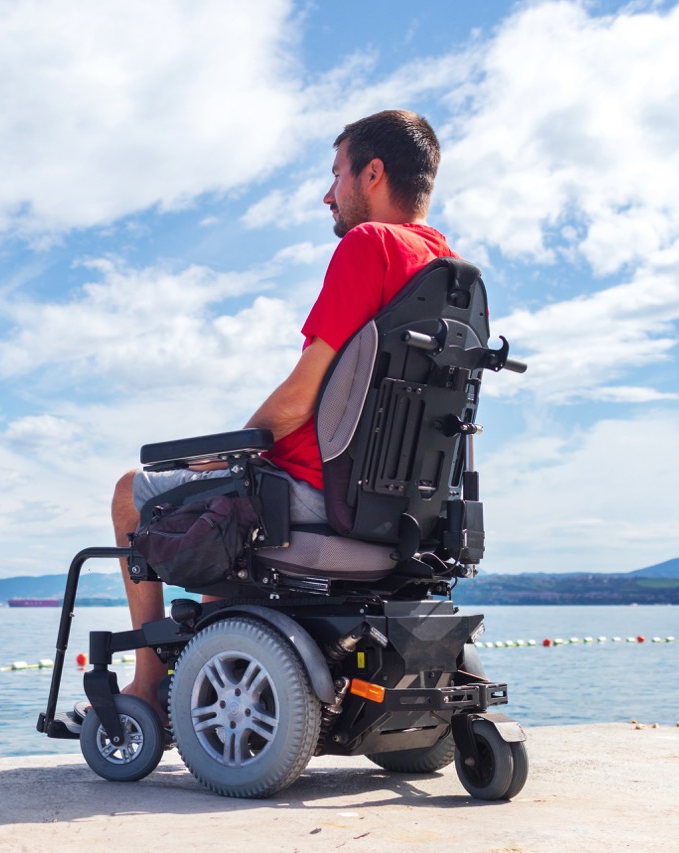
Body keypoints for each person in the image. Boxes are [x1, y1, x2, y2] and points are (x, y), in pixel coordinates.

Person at [109, 109, 457, 721]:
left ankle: (147, 686)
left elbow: (299, 399)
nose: (328, 194)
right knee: (220, 508)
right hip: (405, 512)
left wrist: (232, 452)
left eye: (337, 174)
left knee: (129, 494)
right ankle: (208, 669)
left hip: (317, 494)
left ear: (373, 174)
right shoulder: (449, 275)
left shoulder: (370, 245)